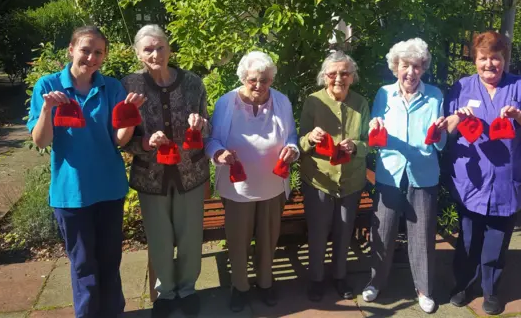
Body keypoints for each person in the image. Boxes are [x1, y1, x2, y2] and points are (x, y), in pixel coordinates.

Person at [27, 26, 145, 318]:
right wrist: (46, 110)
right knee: (83, 266)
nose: (91, 57)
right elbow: (41, 141)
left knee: (109, 261)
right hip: (71, 192)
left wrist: (129, 116)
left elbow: (119, 139)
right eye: (85, 50)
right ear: (70, 50)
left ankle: (113, 313)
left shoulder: (111, 87)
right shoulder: (48, 85)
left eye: (98, 52)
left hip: (109, 187)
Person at [443, 31, 521, 315]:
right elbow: (446, 132)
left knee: (496, 242)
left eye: (495, 58)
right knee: (467, 239)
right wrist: (457, 117)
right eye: (483, 58)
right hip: (471, 180)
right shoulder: (462, 87)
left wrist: (519, 116)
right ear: (474, 60)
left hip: (506, 182)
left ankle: (491, 291)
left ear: (505, 59)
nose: (489, 64)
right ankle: (464, 285)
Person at [121, 24, 210, 318]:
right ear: (137, 53)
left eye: (160, 47)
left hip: (190, 174)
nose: (155, 53)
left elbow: (208, 128)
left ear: (170, 49)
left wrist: (201, 125)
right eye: (148, 49)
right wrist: (145, 143)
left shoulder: (193, 83)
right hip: (151, 176)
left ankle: (187, 290)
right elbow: (122, 139)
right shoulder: (128, 86)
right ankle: (165, 294)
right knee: (159, 239)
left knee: (190, 237)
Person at [205, 51, 299, 312]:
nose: (259, 85)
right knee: (238, 240)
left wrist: (292, 150)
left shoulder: (281, 101)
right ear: (243, 78)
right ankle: (240, 287)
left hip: (272, 185)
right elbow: (212, 140)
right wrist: (218, 153)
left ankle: (266, 283)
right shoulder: (227, 103)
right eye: (253, 80)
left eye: (265, 80)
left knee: (269, 239)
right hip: (237, 188)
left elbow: (291, 136)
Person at [361, 38, 447, 314]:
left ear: (423, 69)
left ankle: (424, 289)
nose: (411, 72)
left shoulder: (434, 95)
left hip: (423, 174)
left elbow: (441, 144)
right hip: (389, 172)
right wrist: (374, 125)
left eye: (417, 66)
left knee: (422, 235)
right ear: (395, 67)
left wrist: (441, 131)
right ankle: (376, 282)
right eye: (405, 65)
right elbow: (375, 132)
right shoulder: (383, 94)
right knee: (382, 232)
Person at [299, 51, 370, 302]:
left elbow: (369, 142)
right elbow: (299, 142)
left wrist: (357, 148)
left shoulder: (360, 103)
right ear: (324, 76)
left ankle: (340, 276)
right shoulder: (313, 101)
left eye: (344, 73)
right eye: (332, 73)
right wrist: (310, 138)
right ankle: (316, 279)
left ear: (352, 77)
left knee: (344, 230)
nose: (338, 78)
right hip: (319, 178)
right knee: (318, 232)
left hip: (350, 179)